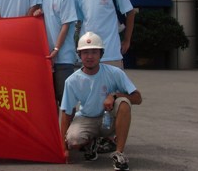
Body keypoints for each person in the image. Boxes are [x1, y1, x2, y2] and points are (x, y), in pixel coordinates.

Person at [60, 32, 142, 171]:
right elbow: (66, 112)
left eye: (94, 52)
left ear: (101, 54)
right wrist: (64, 148)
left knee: (123, 103)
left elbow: (137, 98)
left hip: (109, 119)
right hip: (87, 118)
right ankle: (92, 143)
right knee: (73, 140)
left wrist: (114, 95)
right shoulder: (72, 81)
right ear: (79, 55)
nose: (90, 56)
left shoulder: (114, 73)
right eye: (85, 52)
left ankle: (119, 153)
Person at [34, 0, 78, 108]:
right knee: (49, 99)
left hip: (63, 58)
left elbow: (66, 25)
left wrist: (57, 49)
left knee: (64, 99)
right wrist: (38, 14)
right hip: (48, 57)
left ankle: (67, 125)